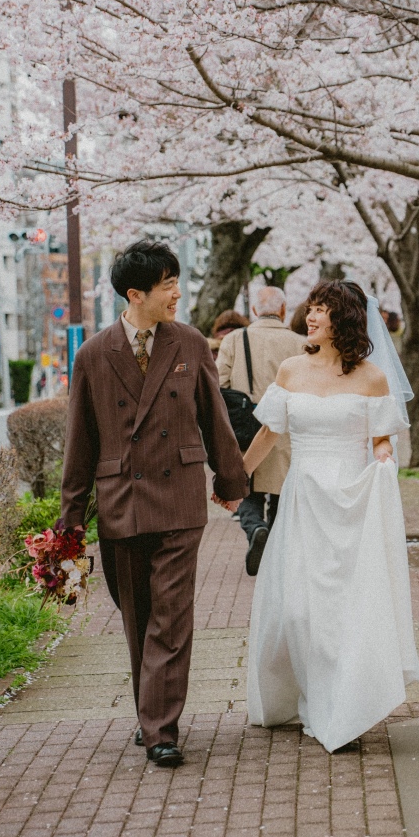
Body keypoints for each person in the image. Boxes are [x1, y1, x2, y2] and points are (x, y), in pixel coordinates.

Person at [60, 239, 248, 767]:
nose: (177, 294)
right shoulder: (93, 354)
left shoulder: (189, 343)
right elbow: (81, 442)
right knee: (136, 613)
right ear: (135, 293)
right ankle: (152, 710)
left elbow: (215, 416)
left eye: (176, 282)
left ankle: (161, 728)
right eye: (167, 285)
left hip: (179, 498)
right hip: (122, 500)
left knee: (171, 613)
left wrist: (231, 483)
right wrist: (69, 519)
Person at [233, 279, 419, 753]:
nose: (310, 317)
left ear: (346, 319)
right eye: (310, 308)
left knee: (341, 606)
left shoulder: (372, 379)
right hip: (303, 498)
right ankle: (305, 694)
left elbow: (381, 439)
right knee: (297, 607)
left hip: (351, 498)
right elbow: (269, 433)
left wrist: (384, 463)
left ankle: (340, 707)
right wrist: (236, 480)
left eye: (321, 310)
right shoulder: (292, 370)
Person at [217, 285, 304, 575]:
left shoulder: (233, 340)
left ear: (254, 311)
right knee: (282, 494)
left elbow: (220, 385)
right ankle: (276, 550)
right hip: (288, 432)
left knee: (248, 492)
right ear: (283, 310)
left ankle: (256, 528)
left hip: (246, 431)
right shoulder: (300, 343)